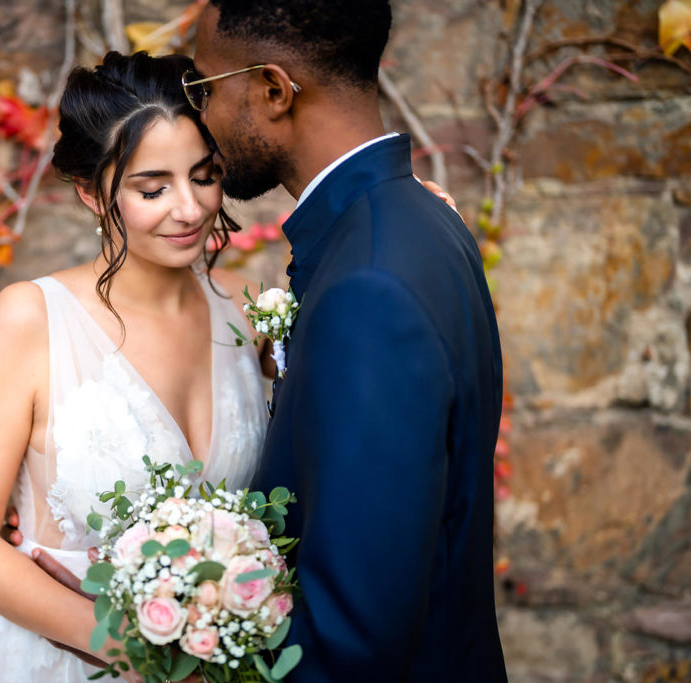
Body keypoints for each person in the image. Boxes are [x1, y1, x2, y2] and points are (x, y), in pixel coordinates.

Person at [189, 0, 508, 680]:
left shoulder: (369, 284)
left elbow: (350, 639)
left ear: (273, 91)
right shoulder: (421, 221)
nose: (201, 117)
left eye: (206, 89)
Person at [0, 51, 270, 682]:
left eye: (204, 176)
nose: (191, 209)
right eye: (152, 188)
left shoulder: (242, 317)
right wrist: (132, 648)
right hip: (54, 660)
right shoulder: (32, 318)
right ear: (91, 193)